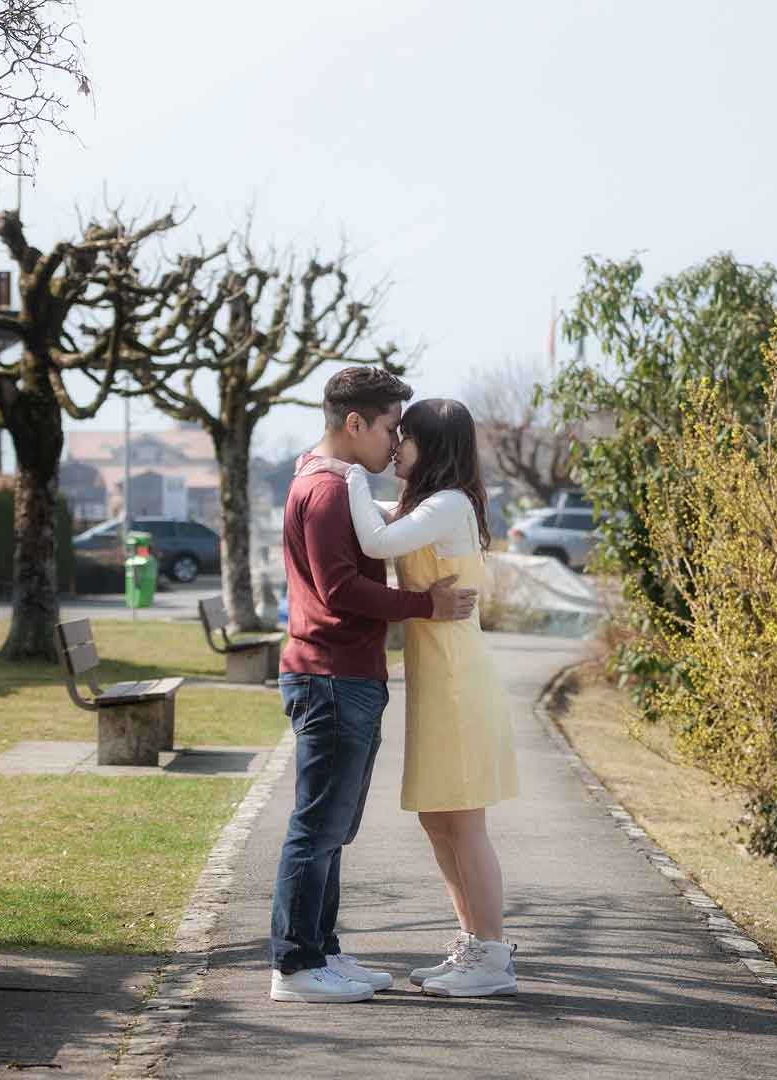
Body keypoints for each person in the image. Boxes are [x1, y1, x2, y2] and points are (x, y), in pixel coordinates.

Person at [268, 368, 479, 1005]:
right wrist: (425, 605)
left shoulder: (328, 478)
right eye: (389, 427)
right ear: (353, 423)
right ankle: (297, 966)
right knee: (318, 827)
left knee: (332, 827)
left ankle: (320, 950)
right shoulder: (330, 489)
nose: (395, 443)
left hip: (339, 673)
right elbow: (339, 589)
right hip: (331, 676)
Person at [302, 397, 520, 997]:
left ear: (434, 448)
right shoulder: (429, 505)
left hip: (456, 676)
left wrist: (343, 471)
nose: (395, 446)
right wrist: (323, 471)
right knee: (436, 817)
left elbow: (374, 541)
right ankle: (472, 944)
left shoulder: (447, 505)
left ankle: (494, 957)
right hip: (437, 674)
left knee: (464, 818)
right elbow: (375, 518)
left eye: (407, 438)